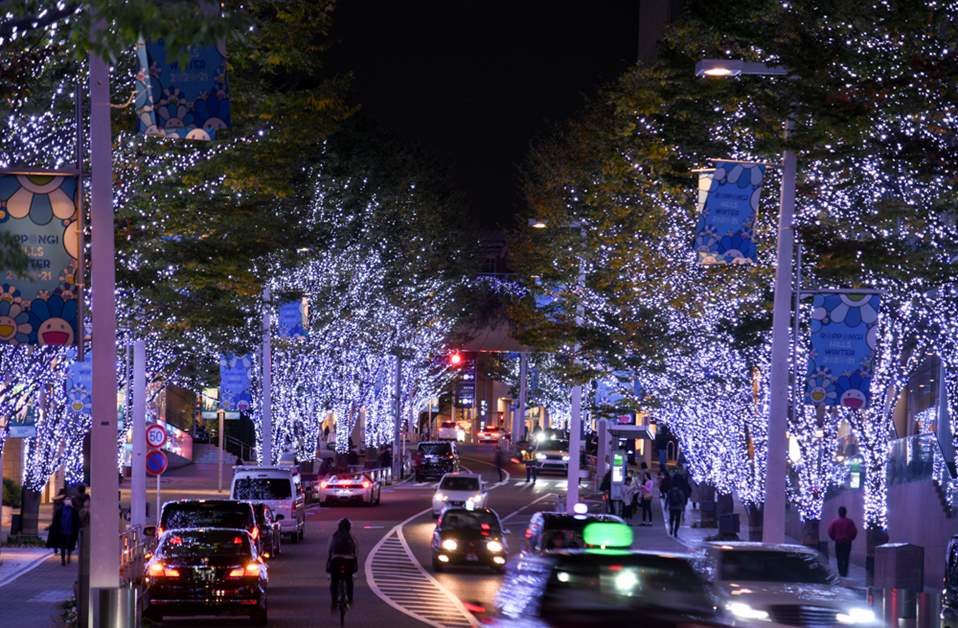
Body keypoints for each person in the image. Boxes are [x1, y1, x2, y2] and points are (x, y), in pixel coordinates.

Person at [327, 518, 358, 610]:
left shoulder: (334, 536)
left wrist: (328, 566)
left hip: (335, 560)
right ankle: (350, 600)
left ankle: (334, 603)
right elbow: (356, 552)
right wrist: (355, 567)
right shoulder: (351, 537)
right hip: (349, 561)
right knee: (349, 580)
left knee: (334, 582)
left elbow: (329, 550)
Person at [827, 506, 858, 577]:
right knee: (846, 557)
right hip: (847, 542)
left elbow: (830, 531)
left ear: (839, 513)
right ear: (845, 513)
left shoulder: (835, 522)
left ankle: (841, 572)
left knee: (839, 558)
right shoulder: (850, 522)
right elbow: (854, 532)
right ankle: (845, 572)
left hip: (838, 542)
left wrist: (834, 538)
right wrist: (850, 538)